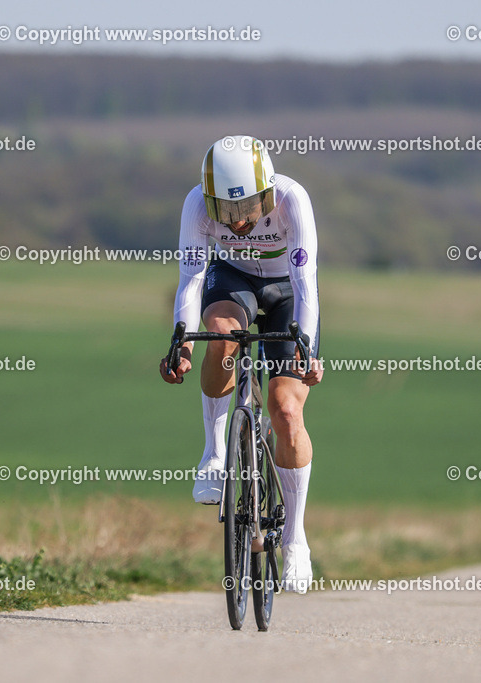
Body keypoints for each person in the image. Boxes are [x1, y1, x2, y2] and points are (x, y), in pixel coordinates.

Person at [159, 135, 323, 593]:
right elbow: (191, 279)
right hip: (232, 280)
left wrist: (306, 348)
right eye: (225, 214)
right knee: (221, 340)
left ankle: (295, 541)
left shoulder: (293, 200)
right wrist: (182, 343)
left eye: (248, 208)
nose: (239, 223)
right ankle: (214, 455)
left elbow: (306, 286)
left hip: (287, 290)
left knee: (286, 409)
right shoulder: (196, 204)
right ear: (209, 201)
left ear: (268, 192)